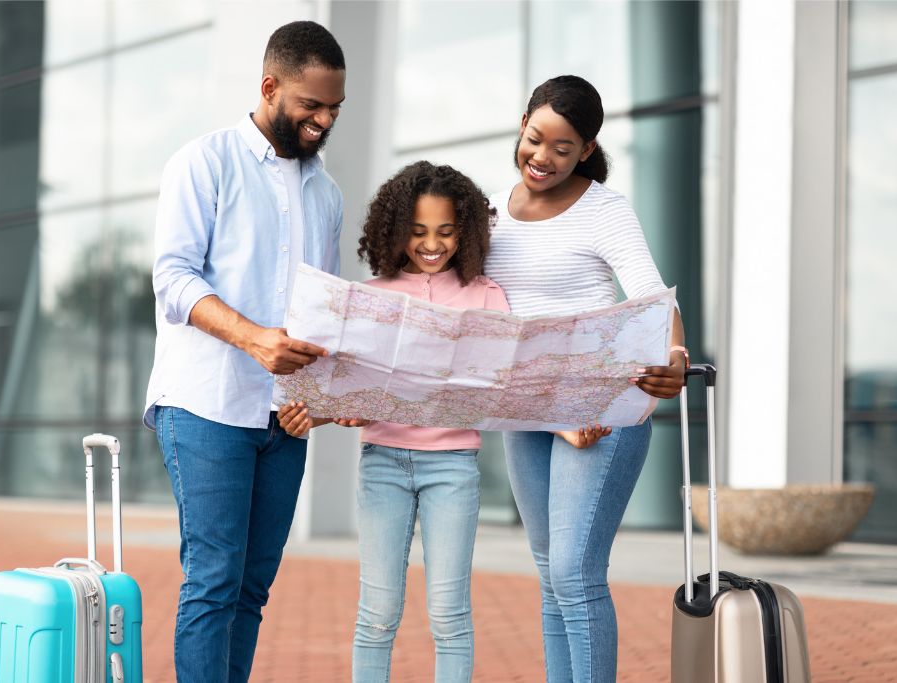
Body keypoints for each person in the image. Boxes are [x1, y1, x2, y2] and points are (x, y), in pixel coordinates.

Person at [142, 21, 349, 683]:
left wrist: (317, 400)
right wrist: (254, 337)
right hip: (205, 403)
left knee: (252, 587)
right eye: (311, 105)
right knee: (213, 579)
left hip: (283, 418)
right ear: (269, 87)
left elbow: (328, 310)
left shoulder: (327, 193)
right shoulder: (204, 162)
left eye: (334, 109)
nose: (323, 120)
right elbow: (174, 278)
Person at [483, 75, 687, 683]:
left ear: (587, 152)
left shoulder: (605, 210)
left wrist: (675, 353)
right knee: (550, 574)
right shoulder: (492, 212)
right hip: (527, 412)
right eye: (535, 138)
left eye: (563, 148)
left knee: (575, 572)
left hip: (601, 407)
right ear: (522, 124)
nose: (542, 158)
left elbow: (653, 298)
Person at [277, 161, 510, 683]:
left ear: (466, 231)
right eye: (418, 232)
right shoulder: (369, 298)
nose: (432, 244)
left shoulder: (488, 296)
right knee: (377, 615)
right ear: (395, 231)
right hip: (383, 463)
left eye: (446, 231)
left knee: (450, 614)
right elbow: (338, 389)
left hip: (453, 468)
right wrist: (312, 417)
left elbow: (504, 386)